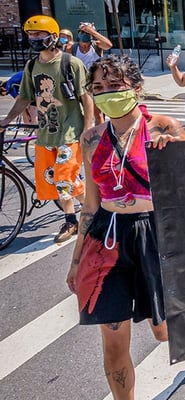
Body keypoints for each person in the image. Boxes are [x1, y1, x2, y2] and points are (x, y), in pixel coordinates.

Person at [66, 55, 185, 400]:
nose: (108, 92)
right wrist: (78, 261)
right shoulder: (91, 138)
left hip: (154, 233)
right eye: (100, 86)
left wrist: (175, 156)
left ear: (135, 85)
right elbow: (90, 205)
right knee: (113, 338)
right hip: (108, 238)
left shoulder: (165, 129)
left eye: (115, 83)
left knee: (163, 329)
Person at [0, 14, 93, 243]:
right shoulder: (32, 66)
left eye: (39, 34)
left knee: (63, 179)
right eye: (31, 34)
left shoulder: (70, 63)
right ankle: (92, 207)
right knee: (55, 180)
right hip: (45, 134)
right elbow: (24, 98)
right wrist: (6, 120)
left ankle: (70, 221)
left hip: (70, 132)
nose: (34, 38)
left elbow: (86, 98)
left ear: (52, 37)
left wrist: (88, 129)